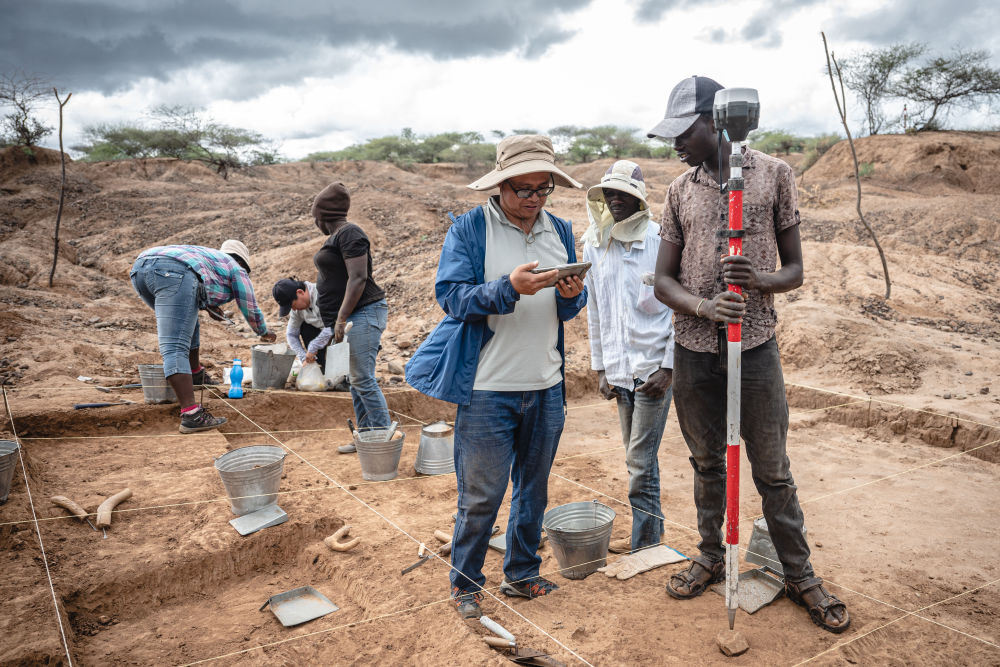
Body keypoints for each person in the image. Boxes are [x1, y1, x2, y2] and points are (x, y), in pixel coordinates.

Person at [648, 75, 850, 633]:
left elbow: (795, 271)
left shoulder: (773, 176)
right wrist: (701, 307)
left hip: (755, 345)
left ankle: (800, 573)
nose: (675, 144)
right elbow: (663, 281)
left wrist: (757, 279)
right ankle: (711, 555)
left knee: (772, 470)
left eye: (682, 132)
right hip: (693, 350)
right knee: (707, 461)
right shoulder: (678, 190)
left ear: (715, 121)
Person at [406, 134, 588, 619]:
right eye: (523, 189)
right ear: (501, 185)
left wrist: (571, 293)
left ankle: (522, 573)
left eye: (542, 189)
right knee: (481, 496)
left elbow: (568, 309)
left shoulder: (561, 229)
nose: (533, 199)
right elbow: (452, 298)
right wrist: (507, 288)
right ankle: (465, 584)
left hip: (546, 385)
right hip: (488, 388)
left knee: (534, 488)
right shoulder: (470, 229)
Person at [581, 160, 685, 581]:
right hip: (620, 371)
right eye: (609, 194)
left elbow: (681, 307)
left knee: (639, 460)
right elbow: (596, 310)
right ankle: (649, 531)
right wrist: (601, 368)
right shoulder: (594, 242)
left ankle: (646, 543)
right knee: (635, 458)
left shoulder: (661, 241)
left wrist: (670, 366)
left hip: (652, 370)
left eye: (624, 193)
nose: (615, 200)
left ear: (640, 198)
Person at [130, 240, 276, 434]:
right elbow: (249, 305)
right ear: (243, 263)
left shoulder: (209, 260)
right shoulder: (236, 268)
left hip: (140, 269)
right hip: (171, 272)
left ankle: (196, 374)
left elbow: (195, 285)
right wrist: (263, 331)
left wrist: (208, 305)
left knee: (187, 324)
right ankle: (192, 414)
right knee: (175, 345)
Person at [311, 182, 391, 445]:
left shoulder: (350, 233)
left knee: (362, 378)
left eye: (315, 217)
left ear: (322, 215)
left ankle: (381, 440)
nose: (315, 223)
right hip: (351, 318)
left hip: (364, 313)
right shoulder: (338, 237)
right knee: (356, 380)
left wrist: (342, 318)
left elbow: (358, 278)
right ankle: (366, 438)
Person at [272, 278, 331, 371]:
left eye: (293, 305)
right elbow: (291, 334)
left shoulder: (322, 293)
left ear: (300, 292)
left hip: (341, 332)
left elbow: (333, 325)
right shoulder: (297, 310)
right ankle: (321, 368)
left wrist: (313, 346)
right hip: (322, 336)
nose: (294, 309)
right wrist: (303, 357)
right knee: (304, 327)